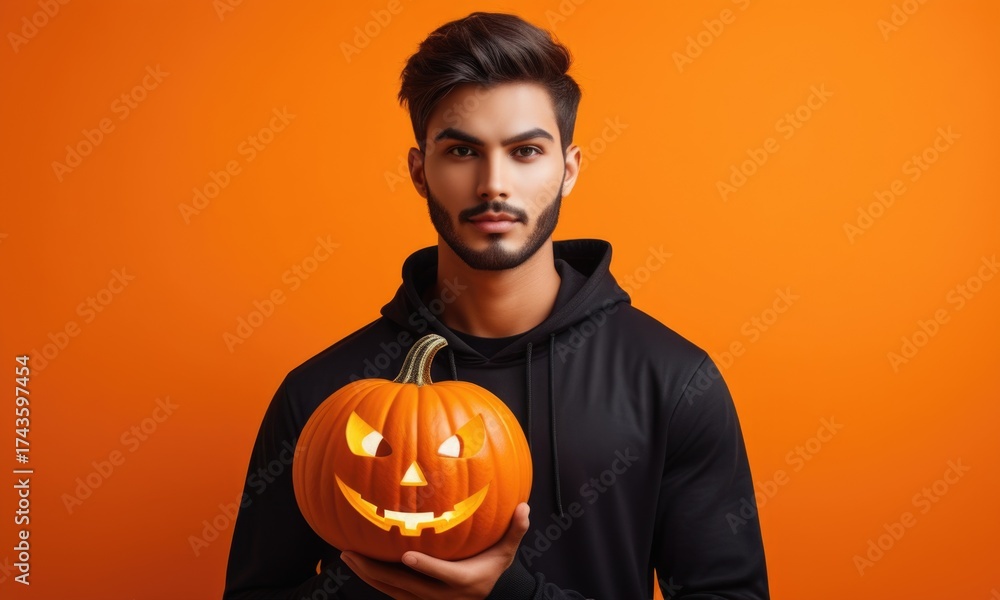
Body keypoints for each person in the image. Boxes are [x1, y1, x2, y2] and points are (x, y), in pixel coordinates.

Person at [223, 11, 769, 600]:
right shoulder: (324, 394)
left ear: (569, 169)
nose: (493, 184)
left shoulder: (671, 381)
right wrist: (374, 586)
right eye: (461, 151)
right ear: (418, 171)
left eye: (526, 151)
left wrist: (511, 595)